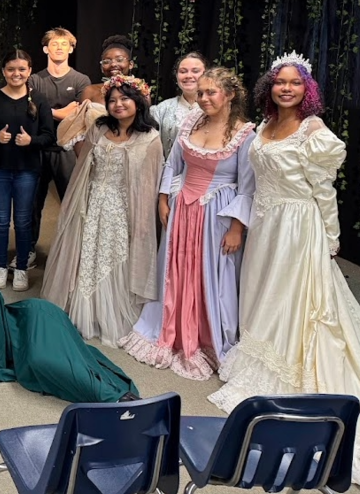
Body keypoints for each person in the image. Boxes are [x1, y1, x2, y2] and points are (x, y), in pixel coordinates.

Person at [209, 53, 360, 494]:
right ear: (269, 88)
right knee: (261, 293)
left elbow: (324, 191)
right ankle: (256, 352)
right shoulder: (264, 126)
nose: (285, 89)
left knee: (292, 301)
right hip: (266, 224)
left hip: (297, 227)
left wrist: (330, 237)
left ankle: (286, 370)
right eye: (279, 82)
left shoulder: (315, 131)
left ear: (306, 89)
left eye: (294, 83)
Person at [121, 67, 255, 380]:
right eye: (201, 92)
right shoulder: (192, 123)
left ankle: (206, 335)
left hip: (218, 213)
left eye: (211, 92)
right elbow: (173, 164)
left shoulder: (245, 134)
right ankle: (173, 327)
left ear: (229, 95)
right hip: (183, 208)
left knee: (212, 274)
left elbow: (248, 186)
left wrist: (237, 227)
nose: (204, 98)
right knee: (176, 268)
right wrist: (163, 198)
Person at [0, 246, 138, 402]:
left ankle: (115, 398)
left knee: (52, 359)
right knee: (46, 362)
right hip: (13, 345)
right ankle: (113, 396)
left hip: (29, 318)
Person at [42, 75, 163, 347]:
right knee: (87, 253)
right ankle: (85, 311)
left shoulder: (150, 138)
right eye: (112, 100)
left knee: (113, 255)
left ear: (138, 101)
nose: (118, 104)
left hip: (122, 206)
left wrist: (143, 222)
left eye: (125, 99)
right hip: (92, 199)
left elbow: (149, 184)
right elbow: (82, 163)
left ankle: (110, 312)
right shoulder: (99, 127)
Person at [0, 49, 55, 291]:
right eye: (11, 69)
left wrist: (31, 141)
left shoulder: (40, 100)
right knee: (1, 220)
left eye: (22, 69)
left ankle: (22, 268)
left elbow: (49, 136)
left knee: (23, 221)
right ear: (3, 71)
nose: (16, 73)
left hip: (28, 170)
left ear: (29, 71)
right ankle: (0, 267)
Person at [27, 28, 91, 267]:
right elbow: (29, 111)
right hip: (38, 150)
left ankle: (72, 254)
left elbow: (79, 115)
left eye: (65, 44)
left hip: (68, 150)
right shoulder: (34, 80)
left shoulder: (81, 80)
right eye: (55, 44)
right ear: (46, 49)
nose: (60, 48)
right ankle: (27, 250)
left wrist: (45, 110)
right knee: (31, 205)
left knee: (72, 204)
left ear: (71, 49)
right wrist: (60, 112)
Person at [56, 34, 137, 154]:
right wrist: (86, 159)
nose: (113, 64)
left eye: (119, 60)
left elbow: (145, 127)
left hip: (131, 153)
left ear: (131, 64)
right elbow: (79, 130)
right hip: (96, 155)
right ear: (101, 67)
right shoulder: (90, 91)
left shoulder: (139, 90)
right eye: (107, 61)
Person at [150, 52, 208, 158]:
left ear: (207, 74)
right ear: (176, 76)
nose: (188, 76)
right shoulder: (162, 109)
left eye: (195, 71)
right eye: (183, 71)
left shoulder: (213, 108)